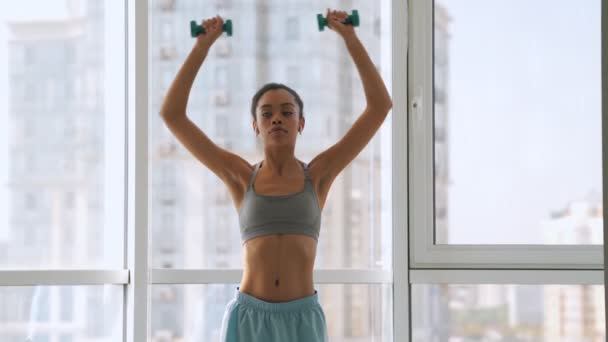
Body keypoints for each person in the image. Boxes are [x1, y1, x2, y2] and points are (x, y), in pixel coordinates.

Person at [160, 8, 392, 342]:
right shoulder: (239, 176)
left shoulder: (320, 175)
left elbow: (380, 106)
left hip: (302, 320)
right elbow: (172, 114)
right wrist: (202, 46)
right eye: (266, 114)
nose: (277, 119)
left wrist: (350, 37)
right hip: (249, 319)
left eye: (287, 112)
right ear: (256, 126)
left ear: (301, 122)